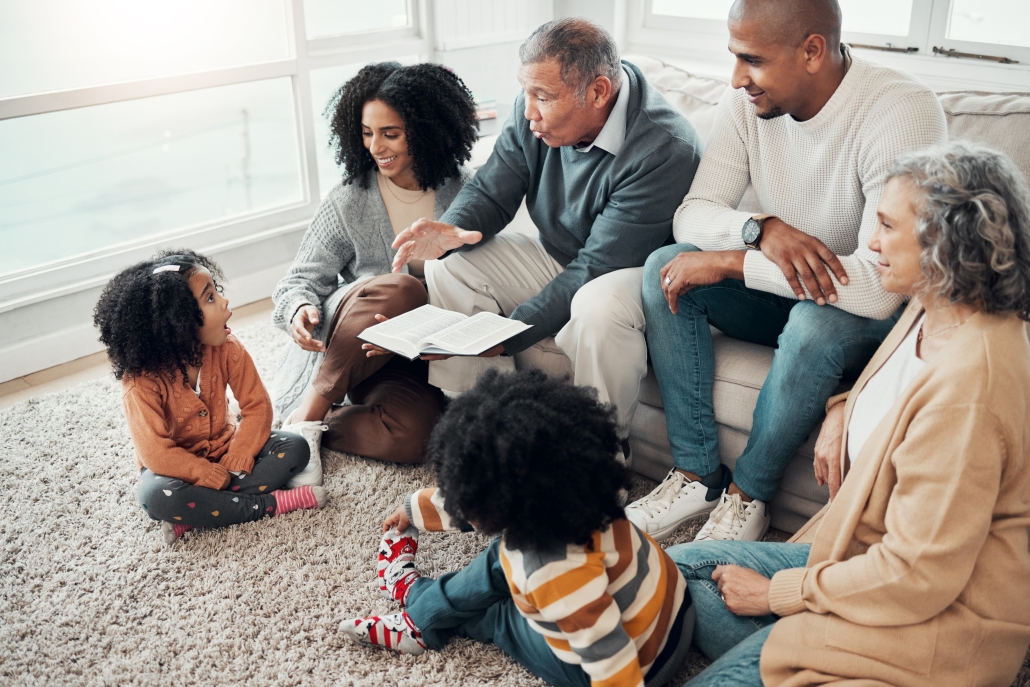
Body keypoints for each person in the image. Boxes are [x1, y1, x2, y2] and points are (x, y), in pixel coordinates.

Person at [667, 141, 1030, 686]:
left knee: (705, 644)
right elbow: (893, 393)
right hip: (851, 562)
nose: (871, 242)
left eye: (886, 226)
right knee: (675, 571)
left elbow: (916, 577)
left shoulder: (971, 388)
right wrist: (842, 408)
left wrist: (777, 595)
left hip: (927, 634)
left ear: (946, 245)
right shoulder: (932, 307)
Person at [624, 0, 949, 542]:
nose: (736, 79)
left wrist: (734, 260)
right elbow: (693, 213)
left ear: (813, 51)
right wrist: (761, 231)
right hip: (793, 289)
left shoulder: (900, 111)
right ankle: (697, 473)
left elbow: (876, 288)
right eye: (733, 57)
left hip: (873, 306)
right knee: (667, 267)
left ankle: (749, 495)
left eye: (751, 60)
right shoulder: (747, 104)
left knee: (813, 324)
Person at [388, 18, 703, 452]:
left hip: (639, 278)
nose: (528, 109)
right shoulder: (532, 111)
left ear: (598, 92)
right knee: (455, 264)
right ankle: (479, 430)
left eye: (544, 97)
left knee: (595, 307)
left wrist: (502, 334)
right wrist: (451, 231)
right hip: (567, 255)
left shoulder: (663, 149)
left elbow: (596, 269)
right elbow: (492, 187)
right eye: (527, 92)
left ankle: (602, 458)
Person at [339, 370, 694, 687]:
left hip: (641, 663)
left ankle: (417, 612)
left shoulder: (550, 571)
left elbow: (612, 663)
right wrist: (415, 508)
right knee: (501, 559)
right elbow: (480, 493)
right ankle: (420, 606)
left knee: (501, 614)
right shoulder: (580, 494)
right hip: (676, 608)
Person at [271, 62, 478, 464]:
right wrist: (299, 308)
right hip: (354, 334)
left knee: (414, 438)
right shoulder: (351, 198)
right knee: (402, 286)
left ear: (426, 130)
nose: (376, 147)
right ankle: (305, 420)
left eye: (390, 134)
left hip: (406, 353)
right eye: (367, 133)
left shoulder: (464, 193)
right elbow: (298, 280)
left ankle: (317, 419)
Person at [93, 250, 325, 545]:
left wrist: (239, 455)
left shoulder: (228, 349)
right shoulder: (139, 385)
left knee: (295, 447)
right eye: (210, 298)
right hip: (178, 472)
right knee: (153, 496)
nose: (225, 301)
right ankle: (271, 505)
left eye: (217, 291)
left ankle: (197, 514)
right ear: (177, 325)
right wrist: (201, 472)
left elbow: (257, 408)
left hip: (228, 451)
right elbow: (157, 453)